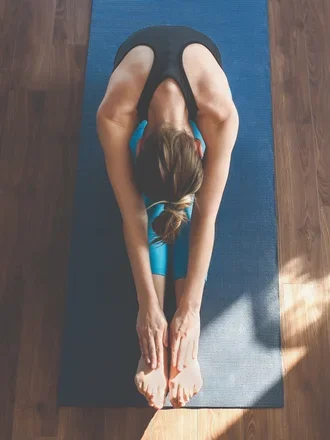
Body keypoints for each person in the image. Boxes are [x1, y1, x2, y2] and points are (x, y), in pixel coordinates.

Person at [96, 25, 239, 410]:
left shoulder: (221, 115)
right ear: (137, 142)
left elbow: (204, 221)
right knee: (151, 205)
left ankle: (182, 350)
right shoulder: (114, 114)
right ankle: (156, 347)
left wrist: (190, 311)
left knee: (185, 205)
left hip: (197, 86)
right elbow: (132, 217)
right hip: (137, 74)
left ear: (199, 145)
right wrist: (147, 308)